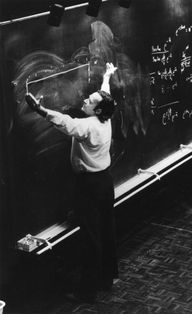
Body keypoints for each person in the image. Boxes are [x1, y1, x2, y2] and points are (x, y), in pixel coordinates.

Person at [25, 62, 118, 302]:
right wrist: (107, 75)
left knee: (91, 238)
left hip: (89, 186)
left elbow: (65, 122)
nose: (86, 100)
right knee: (106, 230)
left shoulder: (87, 127)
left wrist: (40, 109)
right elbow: (104, 95)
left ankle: (87, 292)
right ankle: (108, 278)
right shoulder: (105, 118)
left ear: (97, 110)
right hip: (105, 183)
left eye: (90, 101)